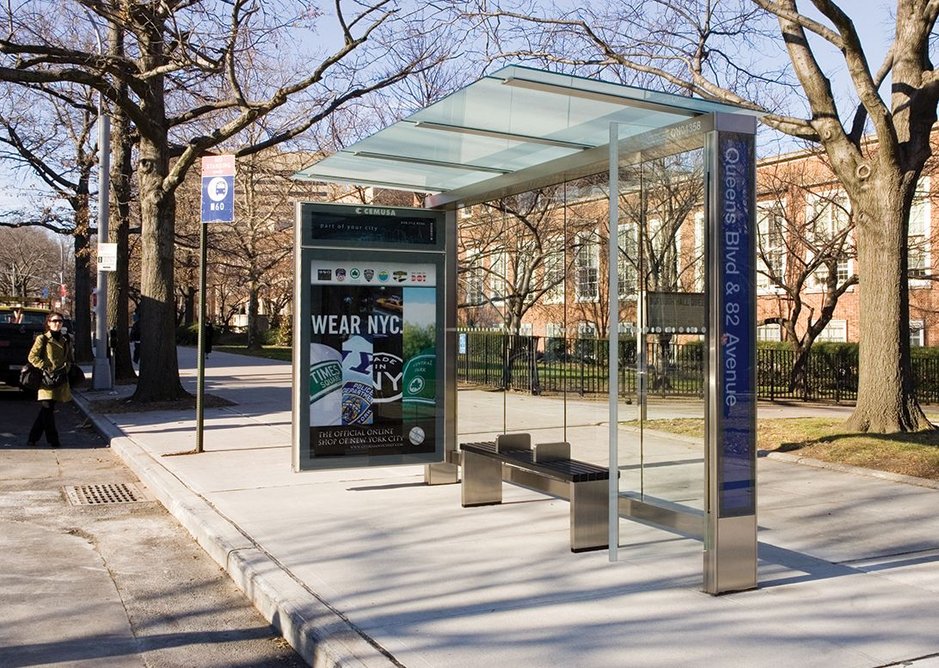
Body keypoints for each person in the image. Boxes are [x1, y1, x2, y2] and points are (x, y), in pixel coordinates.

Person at [26, 312, 73, 448]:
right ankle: (53, 440)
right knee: (47, 409)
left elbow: (69, 357)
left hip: (60, 379)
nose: (57, 323)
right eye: (54, 321)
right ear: (48, 323)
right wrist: (45, 367)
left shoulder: (66, 339)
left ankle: (32, 438)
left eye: (60, 321)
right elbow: (32, 357)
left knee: (47, 409)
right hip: (45, 380)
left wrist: (67, 367)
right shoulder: (42, 339)